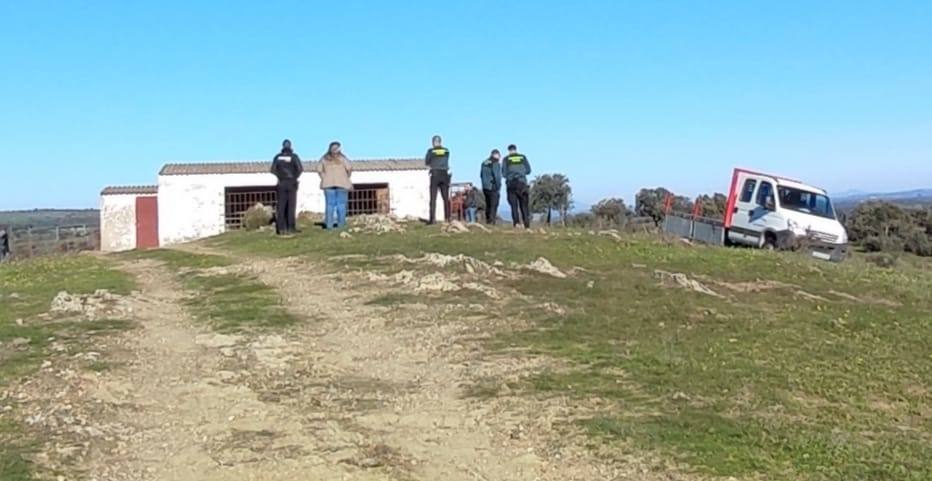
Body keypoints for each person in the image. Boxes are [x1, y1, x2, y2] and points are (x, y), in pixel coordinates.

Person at [270, 139, 303, 235]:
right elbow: (300, 169)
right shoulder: (294, 157)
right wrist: (294, 177)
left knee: (281, 206)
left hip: (281, 183)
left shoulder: (277, 157)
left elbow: (273, 170)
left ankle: (280, 228)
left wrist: (280, 176)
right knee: (291, 206)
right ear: (290, 146)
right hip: (292, 183)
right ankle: (291, 227)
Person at [318, 141, 353, 230]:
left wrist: (324, 178)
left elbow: (319, 170)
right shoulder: (343, 158)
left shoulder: (324, 159)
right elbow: (349, 168)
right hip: (342, 183)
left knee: (329, 205)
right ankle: (341, 225)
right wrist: (346, 177)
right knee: (341, 204)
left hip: (328, 184)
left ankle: (329, 225)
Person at [503, 144, 532, 229]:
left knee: (514, 205)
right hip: (522, 183)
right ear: (516, 150)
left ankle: (516, 223)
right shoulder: (523, 157)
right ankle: (526, 224)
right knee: (524, 205)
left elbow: (504, 173)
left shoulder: (506, 159)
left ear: (509, 151)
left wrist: (510, 175)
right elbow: (528, 170)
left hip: (511, 184)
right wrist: (521, 173)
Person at [425, 135, 451, 224]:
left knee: (433, 198)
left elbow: (427, 162)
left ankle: (432, 219)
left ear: (433, 142)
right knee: (446, 198)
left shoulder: (431, 151)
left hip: (435, 173)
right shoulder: (446, 151)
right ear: (440, 142)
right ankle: (448, 218)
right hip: (444, 174)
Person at [480, 149, 502, 224]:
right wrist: (498, 186)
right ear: (495, 155)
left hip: (485, 186)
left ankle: (488, 219)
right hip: (492, 186)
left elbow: (481, 175)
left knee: (488, 204)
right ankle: (492, 220)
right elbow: (497, 176)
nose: (499, 157)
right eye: (499, 155)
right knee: (494, 204)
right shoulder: (495, 163)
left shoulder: (484, 163)